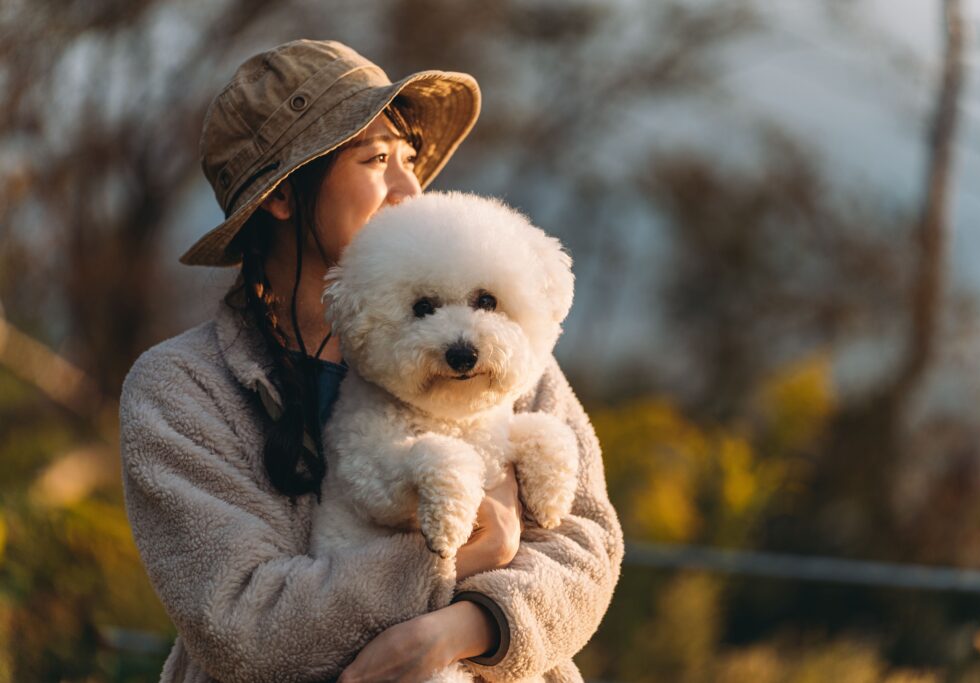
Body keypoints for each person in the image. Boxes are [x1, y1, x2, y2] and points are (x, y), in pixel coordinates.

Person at [119, 39, 623, 683]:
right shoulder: (182, 389)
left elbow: (586, 545)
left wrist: (459, 632)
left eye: (409, 157)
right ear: (281, 196)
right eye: (376, 159)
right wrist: (464, 556)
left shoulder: (487, 344)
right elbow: (245, 624)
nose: (409, 187)